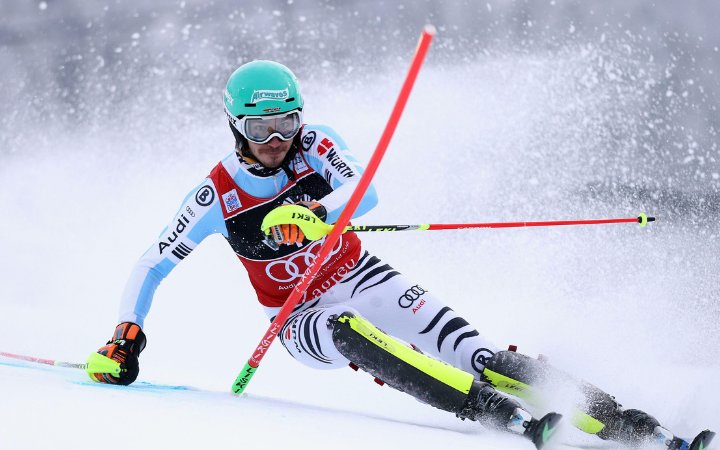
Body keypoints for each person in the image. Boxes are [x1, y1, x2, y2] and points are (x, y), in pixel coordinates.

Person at [88, 61, 713, 450]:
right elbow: (152, 262)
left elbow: (366, 189)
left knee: (482, 355)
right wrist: (126, 334)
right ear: (235, 127)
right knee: (347, 329)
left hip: (361, 273)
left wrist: (315, 213)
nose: (276, 141)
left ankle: (633, 424)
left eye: (286, 124)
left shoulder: (316, 145)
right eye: (260, 130)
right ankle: (498, 414)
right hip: (298, 316)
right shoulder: (216, 193)